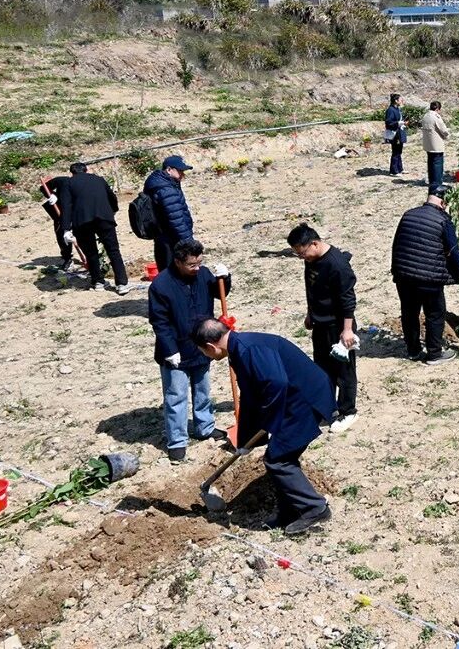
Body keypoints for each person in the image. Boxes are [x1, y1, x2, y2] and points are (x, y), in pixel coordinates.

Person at [192, 318, 335, 536]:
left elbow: (277, 384)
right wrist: (247, 439)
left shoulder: (248, 350)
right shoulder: (239, 349)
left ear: (211, 347)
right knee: (281, 455)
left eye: (203, 352)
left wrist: (271, 423)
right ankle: (291, 509)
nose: (206, 356)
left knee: (278, 459)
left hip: (303, 399)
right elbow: (250, 398)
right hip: (293, 399)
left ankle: (314, 508)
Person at [147, 239, 230, 462]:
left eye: (199, 263)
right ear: (178, 262)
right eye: (192, 264)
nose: (197, 268)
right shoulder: (161, 285)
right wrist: (169, 350)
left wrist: (224, 278)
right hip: (176, 349)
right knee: (176, 395)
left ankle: (204, 427)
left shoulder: (202, 274)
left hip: (202, 345)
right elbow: (159, 322)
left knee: (203, 390)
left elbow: (218, 292)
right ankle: (177, 441)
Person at [287, 224, 359, 432]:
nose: (302, 258)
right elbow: (313, 289)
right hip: (320, 323)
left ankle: (348, 411)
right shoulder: (312, 260)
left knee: (344, 371)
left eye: (303, 253)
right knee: (322, 369)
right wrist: (311, 314)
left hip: (338, 326)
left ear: (315, 244)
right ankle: (325, 408)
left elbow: (348, 300)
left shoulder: (337, 265)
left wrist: (347, 331)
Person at [390, 195, 459, 365]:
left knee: (409, 313)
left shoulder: (408, 214)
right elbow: (454, 252)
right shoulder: (443, 220)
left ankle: (413, 351)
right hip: (429, 279)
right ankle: (434, 353)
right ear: (443, 202)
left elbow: (396, 244)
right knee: (435, 313)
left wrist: (396, 270)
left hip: (403, 275)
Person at [58, 162, 131, 294]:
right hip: (104, 217)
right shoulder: (99, 179)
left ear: (72, 173)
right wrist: (113, 210)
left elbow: (66, 206)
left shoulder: (68, 183)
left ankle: (98, 282)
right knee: (113, 250)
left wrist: (66, 229)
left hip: (82, 221)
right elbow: (112, 197)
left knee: (91, 253)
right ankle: (122, 284)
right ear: (86, 170)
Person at [143, 155, 195, 272]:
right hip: (171, 237)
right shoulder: (166, 189)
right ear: (169, 170)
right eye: (180, 171)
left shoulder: (165, 183)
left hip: (164, 236)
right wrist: (189, 242)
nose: (183, 174)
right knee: (173, 272)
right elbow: (176, 218)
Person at [39, 172, 74, 271]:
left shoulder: (84, 185)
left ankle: (89, 256)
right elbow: (43, 188)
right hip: (61, 212)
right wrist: (52, 195)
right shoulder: (62, 181)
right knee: (61, 234)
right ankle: (67, 258)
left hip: (77, 211)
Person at [420, 100, 449, 196]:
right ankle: (437, 183)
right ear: (437, 109)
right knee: (438, 164)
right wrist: (447, 135)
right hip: (436, 144)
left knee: (430, 163)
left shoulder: (425, 116)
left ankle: (432, 181)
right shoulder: (436, 117)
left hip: (428, 144)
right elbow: (443, 129)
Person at [384, 93, 405, 176]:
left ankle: (399, 168)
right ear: (396, 101)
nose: (401, 101)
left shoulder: (397, 109)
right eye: (400, 100)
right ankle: (394, 170)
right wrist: (398, 123)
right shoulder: (390, 110)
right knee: (395, 151)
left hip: (399, 132)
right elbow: (388, 122)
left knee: (399, 151)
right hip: (394, 133)